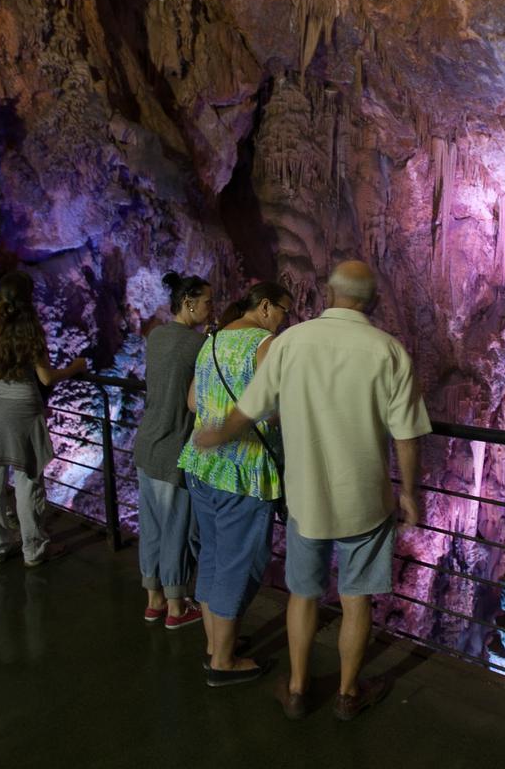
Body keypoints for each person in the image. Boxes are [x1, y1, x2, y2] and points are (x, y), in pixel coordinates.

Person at [194, 260, 431, 720]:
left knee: (303, 594)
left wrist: (218, 435)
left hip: (305, 498)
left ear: (329, 293)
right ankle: (347, 693)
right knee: (355, 597)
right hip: (365, 500)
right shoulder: (389, 351)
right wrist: (410, 495)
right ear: (373, 300)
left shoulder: (290, 342)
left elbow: (250, 408)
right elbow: (406, 436)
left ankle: (299, 689)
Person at [178, 281, 291, 687]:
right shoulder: (264, 344)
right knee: (238, 563)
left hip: (202, 464)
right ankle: (223, 662)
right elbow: (272, 406)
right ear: (264, 307)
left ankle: (215, 643)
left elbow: (193, 401)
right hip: (243, 469)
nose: (284, 320)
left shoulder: (211, 340)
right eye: (283, 311)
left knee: (211, 554)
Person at [0, 271, 86, 567]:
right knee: (27, 478)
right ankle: (34, 549)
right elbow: (45, 377)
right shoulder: (30, 329)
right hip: (22, 406)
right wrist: (73, 368)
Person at [134, 271, 211, 630]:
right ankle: (178, 607)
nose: (212, 309)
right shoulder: (197, 346)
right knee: (177, 527)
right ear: (189, 303)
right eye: (207, 302)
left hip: (147, 442)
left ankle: (154, 600)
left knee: (151, 525)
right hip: (173, 446)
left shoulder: (157, 335)